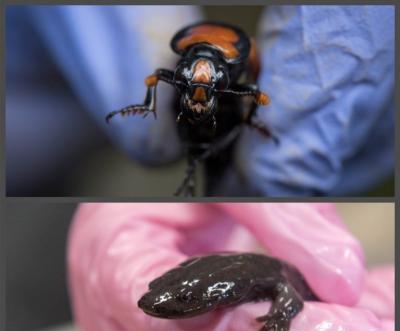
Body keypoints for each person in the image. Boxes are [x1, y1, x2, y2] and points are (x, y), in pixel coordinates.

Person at [6, 5, 395, 196]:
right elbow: (160, 75)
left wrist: (255, 113)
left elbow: (254, 83)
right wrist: (148, 102)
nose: (199, 88)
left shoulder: (238, 74)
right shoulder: (181, 71)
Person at [68, 203, 394, 331]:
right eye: (161, 286)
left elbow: (287, 293)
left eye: (184, 298)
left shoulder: (252, 280)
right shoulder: (231, 278)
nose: (154, 303)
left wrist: (281, 317)